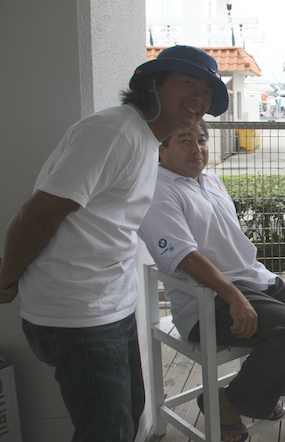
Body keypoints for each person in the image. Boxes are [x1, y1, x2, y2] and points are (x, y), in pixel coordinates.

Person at [0, 45, 228, 442]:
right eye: (188, 83)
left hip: (111, 305)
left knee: (127, 417)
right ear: (152, 84)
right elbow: (38, 214)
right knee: (108, 430)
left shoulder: (146, 139)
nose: (199, 97)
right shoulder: (113, 131)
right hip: (76, 313)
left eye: (207, 91)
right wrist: (6, 280)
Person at [138, 121, 285, 442]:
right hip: (206, 300)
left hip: (252, 279)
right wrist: (233, 297)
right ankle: (233, 403)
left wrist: (248, 285)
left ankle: (246, 396)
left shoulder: (211, 180)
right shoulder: (158, 191)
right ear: (161, 149)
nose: (197, 148)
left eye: (201, 140)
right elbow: (184, 256)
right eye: (184, 140)